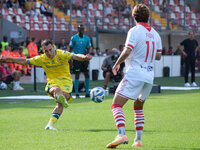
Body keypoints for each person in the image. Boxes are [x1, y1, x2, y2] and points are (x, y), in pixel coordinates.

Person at [0, 40, 92, 130]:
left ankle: (50, 125)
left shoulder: (61, 54)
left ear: (53, 47)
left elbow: (75, 56)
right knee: (56, 90)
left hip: (65, 82)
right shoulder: (42, 58)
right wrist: (9, 59)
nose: (49, 53)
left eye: (50, 49)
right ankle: (59, 97)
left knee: (61, 103)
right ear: (43, 50)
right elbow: (25, 61)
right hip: (52, 82)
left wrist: (84, 57)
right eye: (46, 51)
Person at [106, 4, 162, 148]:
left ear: (133, 16)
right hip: (149, 76)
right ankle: (138, 140)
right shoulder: (156, 34)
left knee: (116, 104)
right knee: (138, 107)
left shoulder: (134, 31)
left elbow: (127, 51)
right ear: (148, 16)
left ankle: (121, 134)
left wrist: (116, 63)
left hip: (135, 73)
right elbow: (158, 56)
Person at [69, 24, 91, 98]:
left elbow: (88, 48)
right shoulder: (74, 38)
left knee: (86, 74)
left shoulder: (87, 38)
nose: (81, 30)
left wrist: (87, 54)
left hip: (84, 59)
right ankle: (77, 93)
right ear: (78, 29)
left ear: (84, 29)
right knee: (77, 75)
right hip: (77, 59)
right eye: (80, 29)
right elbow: (70, 49)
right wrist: (69, 58)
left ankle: (87, 92)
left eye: (82, 29)